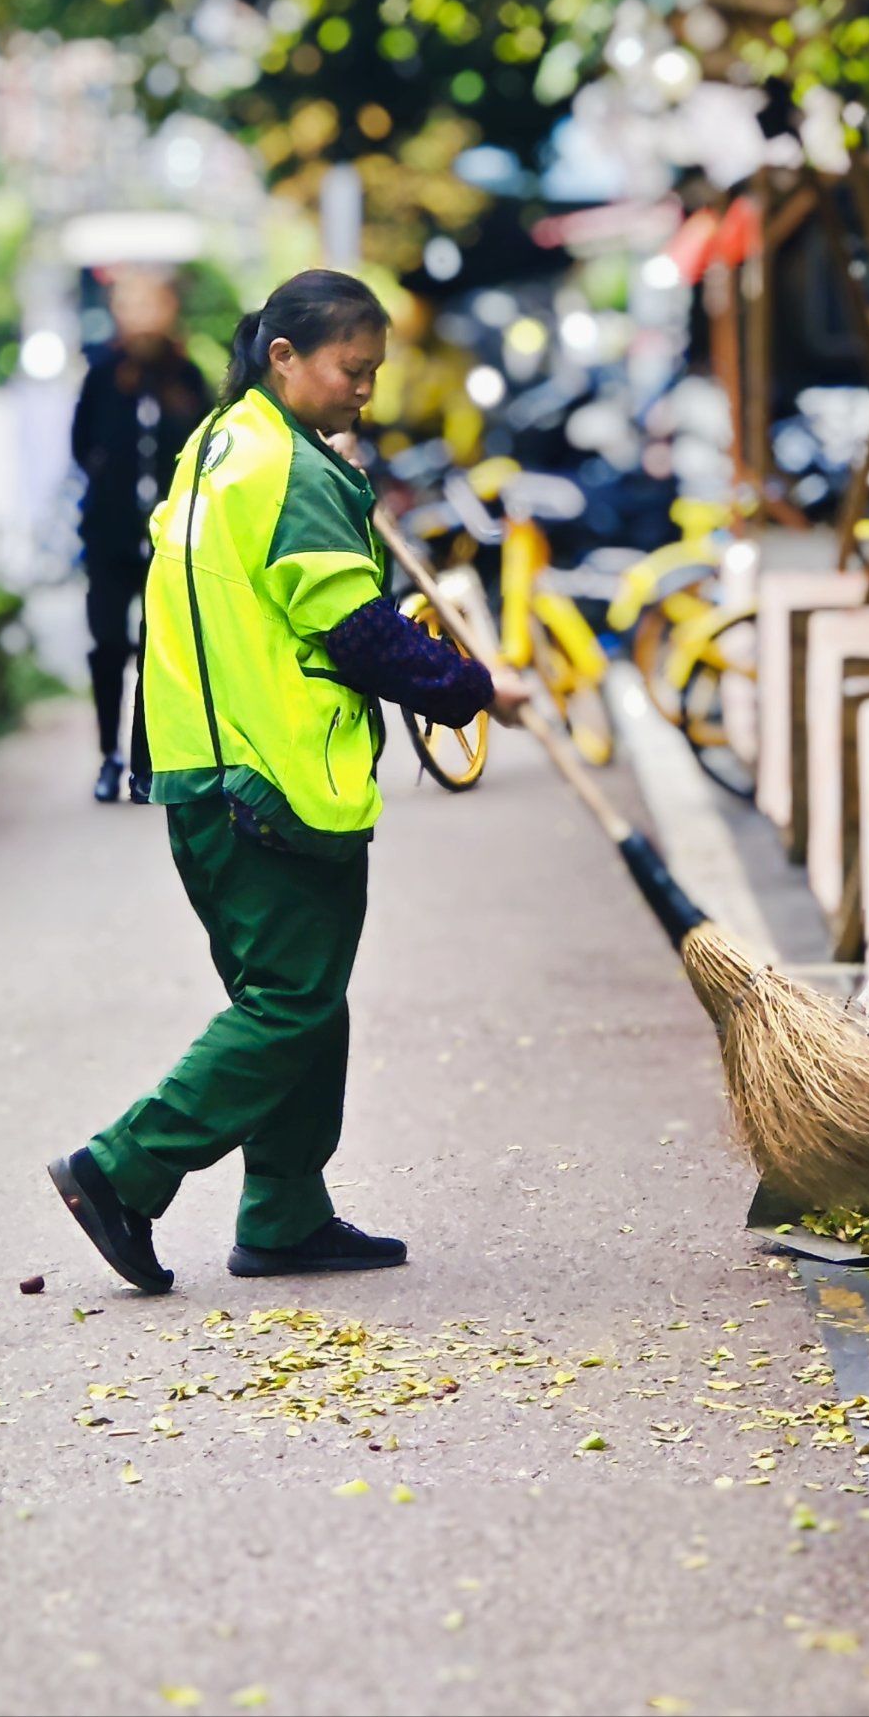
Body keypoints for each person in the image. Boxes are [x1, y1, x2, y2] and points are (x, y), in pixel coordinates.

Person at [49, 268, 529, 1290]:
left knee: (299, 998)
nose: (367, 390)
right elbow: (353, 629)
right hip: (267, 783)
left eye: (372, 374)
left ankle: (283, 1210)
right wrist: (476, 688)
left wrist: (336, 471)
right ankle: (121, 1169)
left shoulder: (224, 443)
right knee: (287, 1007)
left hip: (200, 775)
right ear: (284, 357)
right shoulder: (291, 472)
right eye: (351, 370)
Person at [70, 271, 209, 804]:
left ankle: (148, 762)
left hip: (168, 543)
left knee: (160, 649)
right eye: (130, 305)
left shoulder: (188, 376)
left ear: (170, 308)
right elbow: (81, 444)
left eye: (152, 304)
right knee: (107, 645)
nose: (142, 316)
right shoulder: (102, 375)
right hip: (108, 539)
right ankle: (109, 754)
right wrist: (108, 478)